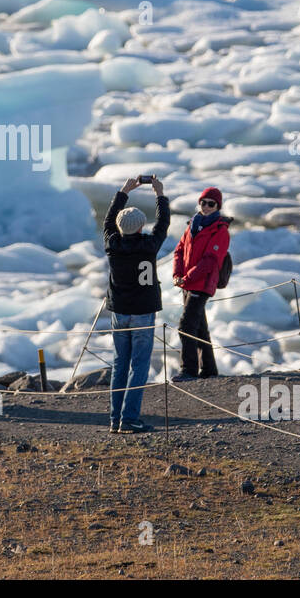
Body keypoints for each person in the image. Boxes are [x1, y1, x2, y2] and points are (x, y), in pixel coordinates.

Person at [103, 176, 170, 433]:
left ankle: (115, 419)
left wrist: (124, 191)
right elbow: (163, 223)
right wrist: (160, 194)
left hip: (120, 311)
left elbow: (108, 222)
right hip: (143, 312)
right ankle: (130, 418)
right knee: (139, 364)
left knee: (120, 363)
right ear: (142, 226)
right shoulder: (149, 245)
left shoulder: (112, 244)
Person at [171, 186, 231, 381]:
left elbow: (210, 260)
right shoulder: (192, 225)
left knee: (186, 326)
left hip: (202, 284)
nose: (206, 207)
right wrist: (177, 274)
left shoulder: (220, 231)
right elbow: (179, 250)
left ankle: (188, 370)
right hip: (187, 283)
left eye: (211, 204)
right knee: (199, 328)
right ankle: (209, 370)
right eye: (203, 202)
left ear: (217, 206)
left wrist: (187, 277)